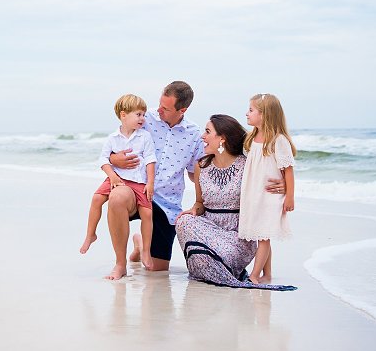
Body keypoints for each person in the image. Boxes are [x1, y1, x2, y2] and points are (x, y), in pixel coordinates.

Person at [109, 81, 287, 277]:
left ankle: (141, 242)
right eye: (160, 104)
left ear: (182, 109)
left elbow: (203, 173)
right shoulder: (144, 118)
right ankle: (120, 264)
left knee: (156, 269)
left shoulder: (193, 134)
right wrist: (113, 159)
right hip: (138, 191)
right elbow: (118, 140)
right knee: (117, 197)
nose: (159, 110)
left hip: (166, 205)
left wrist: (279, 182)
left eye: (166, 108)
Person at [175, 114, 260, 288]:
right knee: (183, 221)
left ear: (222, 138)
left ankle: (218, 268)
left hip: (237, 236)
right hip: (209, 230)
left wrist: (281, 186)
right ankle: (210, 269)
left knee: (223, 253)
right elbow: (200, 204)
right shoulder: (201, 165)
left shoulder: (247, 166)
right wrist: (193, 211)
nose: (202, 136)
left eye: (207, 132)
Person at [79, 94, 157, 279]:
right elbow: (103, 160)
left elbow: (151, 160)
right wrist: (112, 176)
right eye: (138, 114)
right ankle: (91, 234)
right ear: (123, 115)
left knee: (147, 213)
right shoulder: (113, 138)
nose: (142, 118)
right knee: (97, 198)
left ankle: (146, 250)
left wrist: (150, 183)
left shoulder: (144, 136)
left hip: (138, 181)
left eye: (144, 114)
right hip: (118, 178)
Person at [239, 93, 297, 284]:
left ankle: (254, 275)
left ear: (264, 115)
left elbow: (288, 170)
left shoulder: (278, 140)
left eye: (251, 110)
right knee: (261, 235)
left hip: (270, 196)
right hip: (254, 195)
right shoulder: (252, 138)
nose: (246, 114)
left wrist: (289, 196)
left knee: (263, 236)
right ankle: (267, 274)